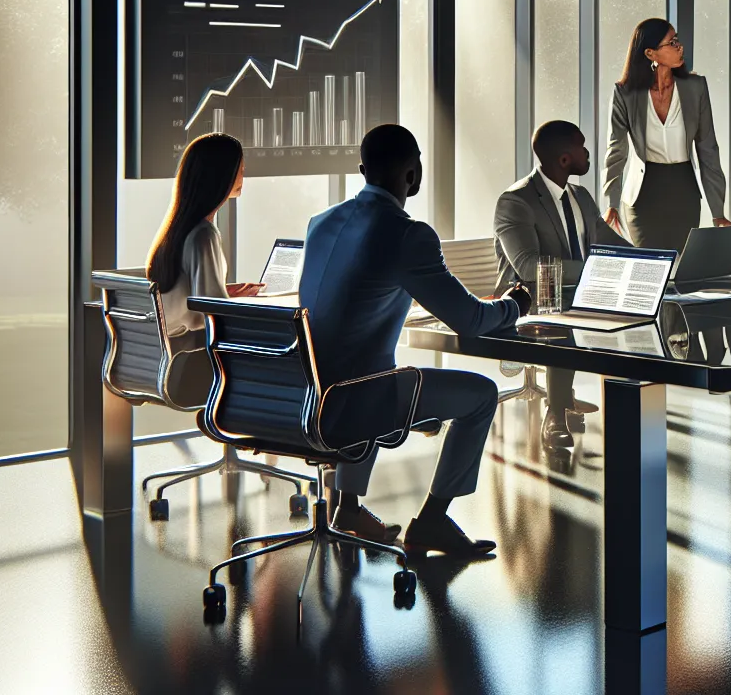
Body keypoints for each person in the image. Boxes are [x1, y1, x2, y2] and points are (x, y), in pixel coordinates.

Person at [301, 124, 533, 558]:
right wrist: (514, 304)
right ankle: (431, 522)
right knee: (481, 394)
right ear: (413, 174)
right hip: (357, 398)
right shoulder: (408, 234)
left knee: (366, 365)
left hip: (309, 393)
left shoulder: (320, 223)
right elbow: (469, 320)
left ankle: (347, 507)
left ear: (362, 170)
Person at [494, 120, 632, 449]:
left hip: (578, 292)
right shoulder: (516, 201)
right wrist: (597, 270)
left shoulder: (581, 196)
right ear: (564, 159)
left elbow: (607, 241)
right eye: (582, 146)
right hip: (528, 302)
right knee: (562, 322)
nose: (588, 152)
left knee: (632, 314)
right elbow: (528, 266)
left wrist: (648, 263)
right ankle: (555, 413)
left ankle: (627, 410)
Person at [145, 133, 264, 407]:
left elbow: (195, 298)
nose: (244, 174)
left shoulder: (175, 231)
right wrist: (236, 302)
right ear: (221, 175)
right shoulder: (203, 235)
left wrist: (227, 294)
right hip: (192, 363)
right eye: (240, 169)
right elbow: (211, 311)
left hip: (165, 359)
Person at [602, 17, 731, 252]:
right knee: (649, 269)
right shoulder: (625, 93)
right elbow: (616, 151)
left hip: (684, 191)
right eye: (671, 43)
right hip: (643, 194)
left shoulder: (696, 87)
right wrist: (611, 202)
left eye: (678, 40)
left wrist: (718, 212)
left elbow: (708, 150)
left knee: (680, 268)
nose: (680, 47)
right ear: (650, 53)